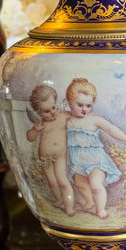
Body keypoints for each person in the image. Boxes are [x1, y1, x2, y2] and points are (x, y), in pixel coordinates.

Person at [65, 78, 126, 219]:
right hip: (76, 162)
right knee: (81, 185)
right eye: (80, 105)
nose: (84, 109)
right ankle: (90, 200)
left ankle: (100, 209)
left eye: (88, 105)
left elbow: (111, 129)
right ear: (70, 104)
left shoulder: (94, 119)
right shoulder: (67, 120)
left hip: (96, 160)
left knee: (96, 185)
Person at [26, 84, 75, 216]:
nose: (53, 112)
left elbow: (76, 116)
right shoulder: (40, 124)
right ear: (38, 112)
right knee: (52, 182)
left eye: (53, 107)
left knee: (63, 181)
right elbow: (30, 137)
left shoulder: (63, 116)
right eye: (46, 111)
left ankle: (69, 206)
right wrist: (35, 130)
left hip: (59, 156)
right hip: (45, 158)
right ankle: (59, 199)